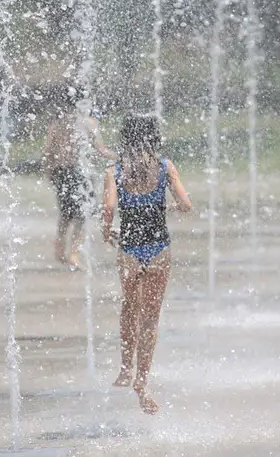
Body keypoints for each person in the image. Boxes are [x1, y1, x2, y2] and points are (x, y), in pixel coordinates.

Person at [101, 114, 192, 415]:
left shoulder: (114, 170)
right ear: (155, 137)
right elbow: (186, 205)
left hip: (128, 250)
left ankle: (126, 367)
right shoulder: (166, 168)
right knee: (151, 317)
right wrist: (172, 206)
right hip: (158, 251)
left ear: (124, 137)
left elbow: (109, 208)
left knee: (129, 306)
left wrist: (106, 231)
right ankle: (143, 381)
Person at [43, 87, 116, 269]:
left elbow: (48, 152)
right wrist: (120, 156)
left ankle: (60, 250)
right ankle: (74, 254)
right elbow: (101, 150)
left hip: (60, 172)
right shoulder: (88, 123)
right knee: (82, 215)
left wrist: (48, 172)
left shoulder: (56, 124)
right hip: (78, 173)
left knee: (66, 214)